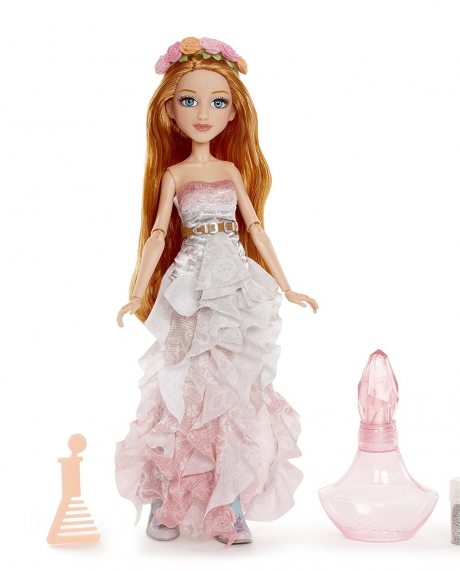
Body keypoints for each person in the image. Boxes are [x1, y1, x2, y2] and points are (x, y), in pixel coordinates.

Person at [115, 36, 318, 548]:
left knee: (231, 388)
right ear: (169, 111)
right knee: (182, 384)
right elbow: (157, 234)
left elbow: (256, 229)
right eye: (189, 100)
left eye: (217, 101)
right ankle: (168, 502)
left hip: (233, 284)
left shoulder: (230, 171)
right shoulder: (174, 173)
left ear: (233, 112)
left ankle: (230, 506)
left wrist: (288, 286)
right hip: (189, 286)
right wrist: (136, 292)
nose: (203, 113)